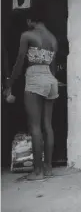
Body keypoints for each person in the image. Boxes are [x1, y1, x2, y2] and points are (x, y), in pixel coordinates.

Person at [3, 10, 58, 181]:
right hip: (50, 80)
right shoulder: (53, 39)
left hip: (35, 78)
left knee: (34, 126)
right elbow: (53, 65)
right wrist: (53, 81)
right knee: (47, 126)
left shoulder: (27, 35)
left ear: (30, 20)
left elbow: (20, 62)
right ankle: (48, 169)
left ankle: (37, 172)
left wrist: (9, 83)